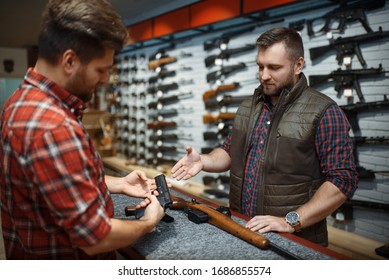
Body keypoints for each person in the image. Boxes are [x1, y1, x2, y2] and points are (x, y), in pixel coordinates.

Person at [0, 0, 165, 259]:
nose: (104, 79)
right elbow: (96, 238)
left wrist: (118, 183)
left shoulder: (21, 101)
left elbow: (53, 184)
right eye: (101, 70)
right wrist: (148, 222)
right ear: (69, 61)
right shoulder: (53, 127)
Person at [171, 27, 358, 246]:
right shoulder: (248, 106)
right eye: (260, 66)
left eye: (274, 67)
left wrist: (291, 221)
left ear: (298, 65)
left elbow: (343, 180)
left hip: (294, 240)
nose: (264, 75)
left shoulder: (324, 111)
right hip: (242, 229)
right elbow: (230, 152)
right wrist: (204, 160)